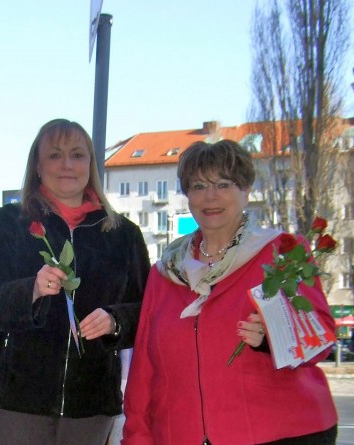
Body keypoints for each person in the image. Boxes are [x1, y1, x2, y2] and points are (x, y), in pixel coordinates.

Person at [122, 140, 338, 444]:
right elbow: (143, 371)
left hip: (283, 434)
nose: (210, 196)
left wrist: (273, 336)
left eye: (223, 183)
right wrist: (137, 437)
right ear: (187, 196)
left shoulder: (282, 252)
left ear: (246, 189)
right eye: (198, 186)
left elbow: (322, 337)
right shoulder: (165, 272)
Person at [0, 119, 150, 445]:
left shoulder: (123, 235)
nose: (67, 164)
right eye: (55, 155)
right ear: (37, 165)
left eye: (78, 155)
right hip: (14, 404)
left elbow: (147, 312)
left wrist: (115, 320)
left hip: (90, 407)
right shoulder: (5, 224)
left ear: (91, 165)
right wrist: (31, 290)